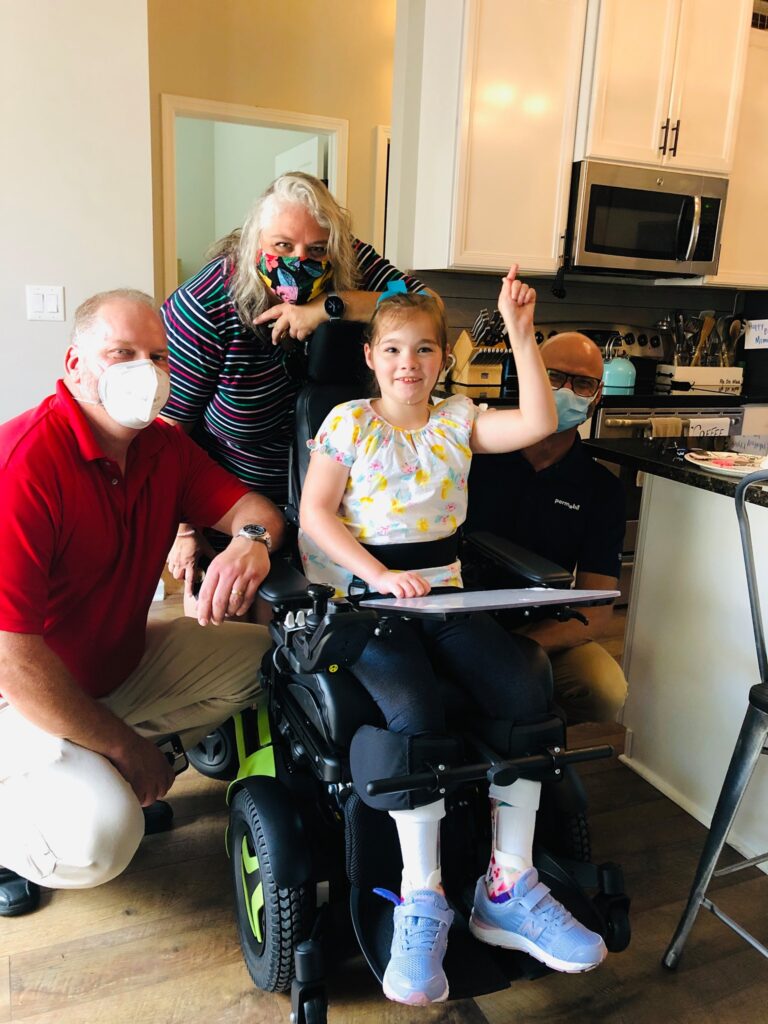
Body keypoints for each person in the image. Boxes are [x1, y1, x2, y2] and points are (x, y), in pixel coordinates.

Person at [298, 273, 607, 1007]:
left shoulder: (458, 419)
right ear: (371, 356)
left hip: (450, 598)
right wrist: (376, 572)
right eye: (396, 349)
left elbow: (537, 418)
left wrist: (521, 331)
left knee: (525, 682)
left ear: (443, 360)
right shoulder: (347, 422)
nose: (411, 363)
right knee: (414, 712)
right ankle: (422, 895)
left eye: (426, 349)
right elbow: (315, 514)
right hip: (372, 602)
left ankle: (506, 885)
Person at [0, 289, 284, 916]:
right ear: (74, 364)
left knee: (277, 660)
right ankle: (19, 829)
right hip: (16, 698)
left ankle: (97, 766)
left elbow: (254, 510)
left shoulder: (163, 448)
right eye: (120, 353)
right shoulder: (24, 464)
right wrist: (130, 750)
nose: (145, 372)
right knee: (103, 838)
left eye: (157, 356)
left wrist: (251, 542)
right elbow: (13, 662)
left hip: (112, 669)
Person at [161, 171, 431, 591]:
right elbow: (168, 435)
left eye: (317, 250)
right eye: (282, 246)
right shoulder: (206, 305)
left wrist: (329, 306)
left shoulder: (348, 261)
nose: (299, 260)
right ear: (255, 241)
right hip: (238, 512)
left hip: (346, 515)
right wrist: (184, 531)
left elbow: (423, 304)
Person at [466, 332, 628, 725]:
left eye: (583, 384)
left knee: (604, 688)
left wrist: (524, 648)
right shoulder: (471, 449)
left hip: (536, 629)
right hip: (458, 620)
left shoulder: (602, 489)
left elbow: (597, 608)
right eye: (553, 377)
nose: (567, 391)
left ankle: (530, 744)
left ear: (598, 397)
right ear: (528, 377)